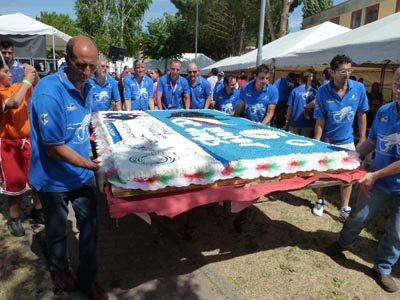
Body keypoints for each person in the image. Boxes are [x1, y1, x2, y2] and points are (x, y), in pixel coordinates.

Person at [29, 35, 108, 300]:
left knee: (89, 228)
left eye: (92, 66)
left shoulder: (90, 86)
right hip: (53, 179)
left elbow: (85, 126)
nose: (86, 72)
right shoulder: (49, 92)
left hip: (81, 173)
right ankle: (59, 270)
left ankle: (87, 278)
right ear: (67, 60)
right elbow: (54, 147)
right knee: (57, 229)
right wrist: (95, 166)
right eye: (80, 65)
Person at [329, 67, 400, 293]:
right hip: (377, 181)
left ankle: (382, 268)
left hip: (379, 178)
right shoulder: (385, 111)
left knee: (397, 231)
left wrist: (374, 175)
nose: (398, 88)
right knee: (359, 215)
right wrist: (352, 157)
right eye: (397, 82)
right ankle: (342, 243)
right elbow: (371, 142)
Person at [312, 54, 369, 220]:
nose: (347, 74)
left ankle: (344, 207)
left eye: (349, 70)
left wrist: (363, 138)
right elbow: (320, 120)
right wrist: (317, 142)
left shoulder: (358, 88)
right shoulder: (323, 91)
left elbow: (362, 114)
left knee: (347, 176)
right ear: (332, 72)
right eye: (342, 71)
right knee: (322, 174)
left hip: (347, 141)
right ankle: (320, 200)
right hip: (327, 142)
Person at [0, 55, 43, 237]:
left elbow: (37, 87)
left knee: (35, 181)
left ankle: (38, 211)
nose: (10, 73)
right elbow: (15, 103)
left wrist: (33, 73)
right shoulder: (2, 92)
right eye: (4, 71)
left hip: (28, 141)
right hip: (9, 144)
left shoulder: (17, 87)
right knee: (15, 186)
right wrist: (26, 80)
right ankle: (15, 217)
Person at [88, 59, 121, 159]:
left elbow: (117, 100)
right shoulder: (89, 81)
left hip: (105, 117)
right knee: (93, 142)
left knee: (106, 143)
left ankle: (106, 162)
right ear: (96, 67)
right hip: (91, 118)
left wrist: (119, 116)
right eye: (102, 66)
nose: (105, 69)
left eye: (106, 66)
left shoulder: (112, 82)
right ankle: (94, 159)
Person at [284, 69, 317, 138]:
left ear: (300, 79)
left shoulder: (295, 91)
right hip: (309, 123)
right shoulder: (315, 92)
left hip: (294, 123)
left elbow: (290, 108)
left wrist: (287, 122)